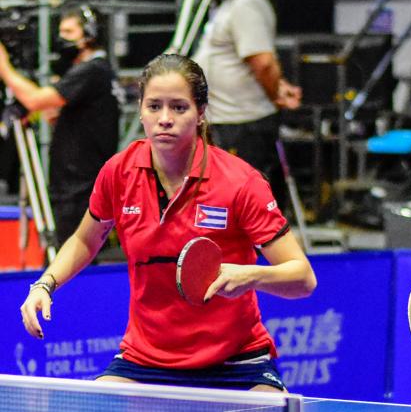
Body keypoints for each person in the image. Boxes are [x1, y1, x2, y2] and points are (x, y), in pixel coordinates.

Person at [19, 53, 317, 391]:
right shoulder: (119, 172)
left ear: (201, 113)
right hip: (144, 361)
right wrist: (45, 284)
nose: (164, 119)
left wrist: (251, 276)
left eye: (179, 107)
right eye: (154, 106)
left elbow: (303, 278)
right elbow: (87, 239)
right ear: (141, 112)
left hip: (236, 361)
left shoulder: (240, 183)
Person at [0, 5, 121, 247]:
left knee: (73, 254)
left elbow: (35, 100)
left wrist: (4, 67)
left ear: (89, 33)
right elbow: (49, 112)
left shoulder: (92, 70)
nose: (61, 38)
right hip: (79, 183)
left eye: (68, 31)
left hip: (78, 188)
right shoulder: (99, 70)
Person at [193, 0, 301, 212]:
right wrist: (279, 87)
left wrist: (276, 95)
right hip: (230, 123)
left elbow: (263, 64)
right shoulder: (230, 6)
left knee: (247, 206)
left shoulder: (247, 3)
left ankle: (257, 247)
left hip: (243, 126)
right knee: (228, 204)